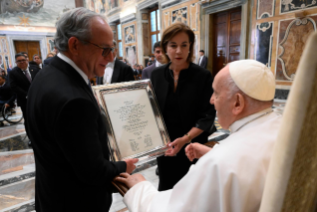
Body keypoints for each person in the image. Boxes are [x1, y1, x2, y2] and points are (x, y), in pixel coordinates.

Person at [115, 59, 282, 212]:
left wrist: (139, 188)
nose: (211, 100)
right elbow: (247, 166)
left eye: (216, 93)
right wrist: (212, 153)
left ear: (237, 103)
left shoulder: (218, 163)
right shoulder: (281, 129)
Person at [26, 8, 137, 212]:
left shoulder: (46, 75)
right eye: (104, 49)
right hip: (77, 203)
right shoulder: (74, 100)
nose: (112, 57)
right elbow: (93, 172)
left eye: (113, 48)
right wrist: (124, 166)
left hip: (52, 195)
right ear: (75, 44)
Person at [149, 23, 216, 191]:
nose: (178, 51)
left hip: (193, 146)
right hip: (167, 147)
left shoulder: (203, 76)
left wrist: (185, 139)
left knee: (192, 191)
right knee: (166, 190)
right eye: (173, 45)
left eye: (184, 45)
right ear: (165, 47)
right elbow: (151, 111)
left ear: (190, 47)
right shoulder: (156, 75)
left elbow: (207, 115)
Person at [9, 53, 39, 145]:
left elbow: (41, 80)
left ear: (27, 59)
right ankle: (31, 138)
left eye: (23, 60)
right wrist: (27, 95)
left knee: (40, 118)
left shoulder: (35, 69)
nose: (22, 62)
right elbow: (14, 86)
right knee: (28, 119)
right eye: (19, 61)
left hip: (38, 99)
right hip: (25, 100)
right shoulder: (13, 72)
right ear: (16, 62)